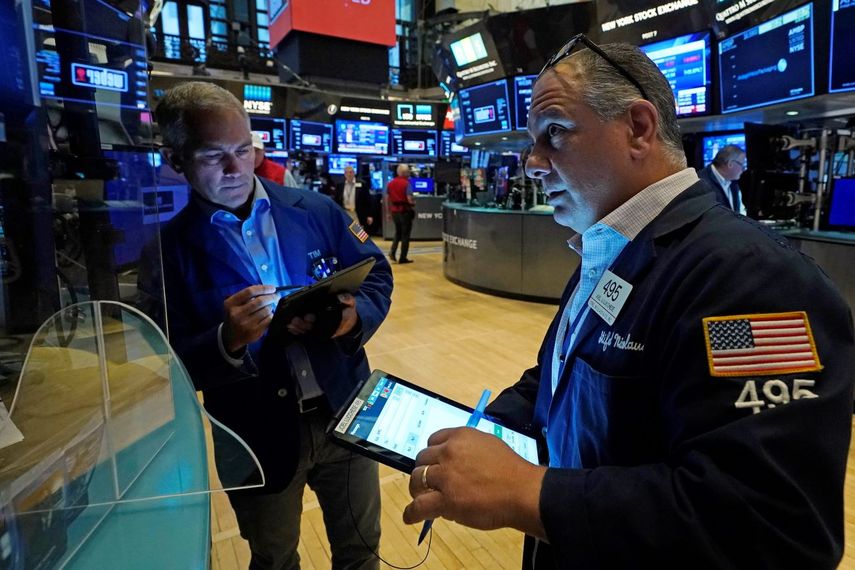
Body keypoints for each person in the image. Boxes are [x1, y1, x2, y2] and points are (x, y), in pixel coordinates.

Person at [402, 38, 855, 569]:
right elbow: (569, 377)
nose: (532, 163)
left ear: (638, 129)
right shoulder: (611, 248)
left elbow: (770, 526)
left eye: (554, 134)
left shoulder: (755, 282)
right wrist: (487, 429)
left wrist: (528, 492)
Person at [149, 81, 392, 570]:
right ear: (175, 160)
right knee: (274, 557)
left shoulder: (319, 210)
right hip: (255, 434)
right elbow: (164, 356)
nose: (238, 168)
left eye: (244, 150)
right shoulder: (165, 251)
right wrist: (227, 341)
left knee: (361, 550)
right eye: (214, 156)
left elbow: (377, 274)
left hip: (346, 409)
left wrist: (352, 318)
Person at [697, 144, 747, 214]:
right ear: (730, 164)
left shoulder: (733, 181)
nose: (744, 169)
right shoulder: (700, 182)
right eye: (742, 165)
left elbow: (740, 212)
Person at [386, 164, 415, 264]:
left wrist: (388, 212)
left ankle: (392, 252)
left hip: (394, 211)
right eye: (408, 171)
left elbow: (387, 198)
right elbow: (409, 198)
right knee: (405, 235)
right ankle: (403, 257)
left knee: (397, 233)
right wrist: (412, 203)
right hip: (404, 211)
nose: (409, 173)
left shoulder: (391, 183)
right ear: (404, 173)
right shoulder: (407, 183)